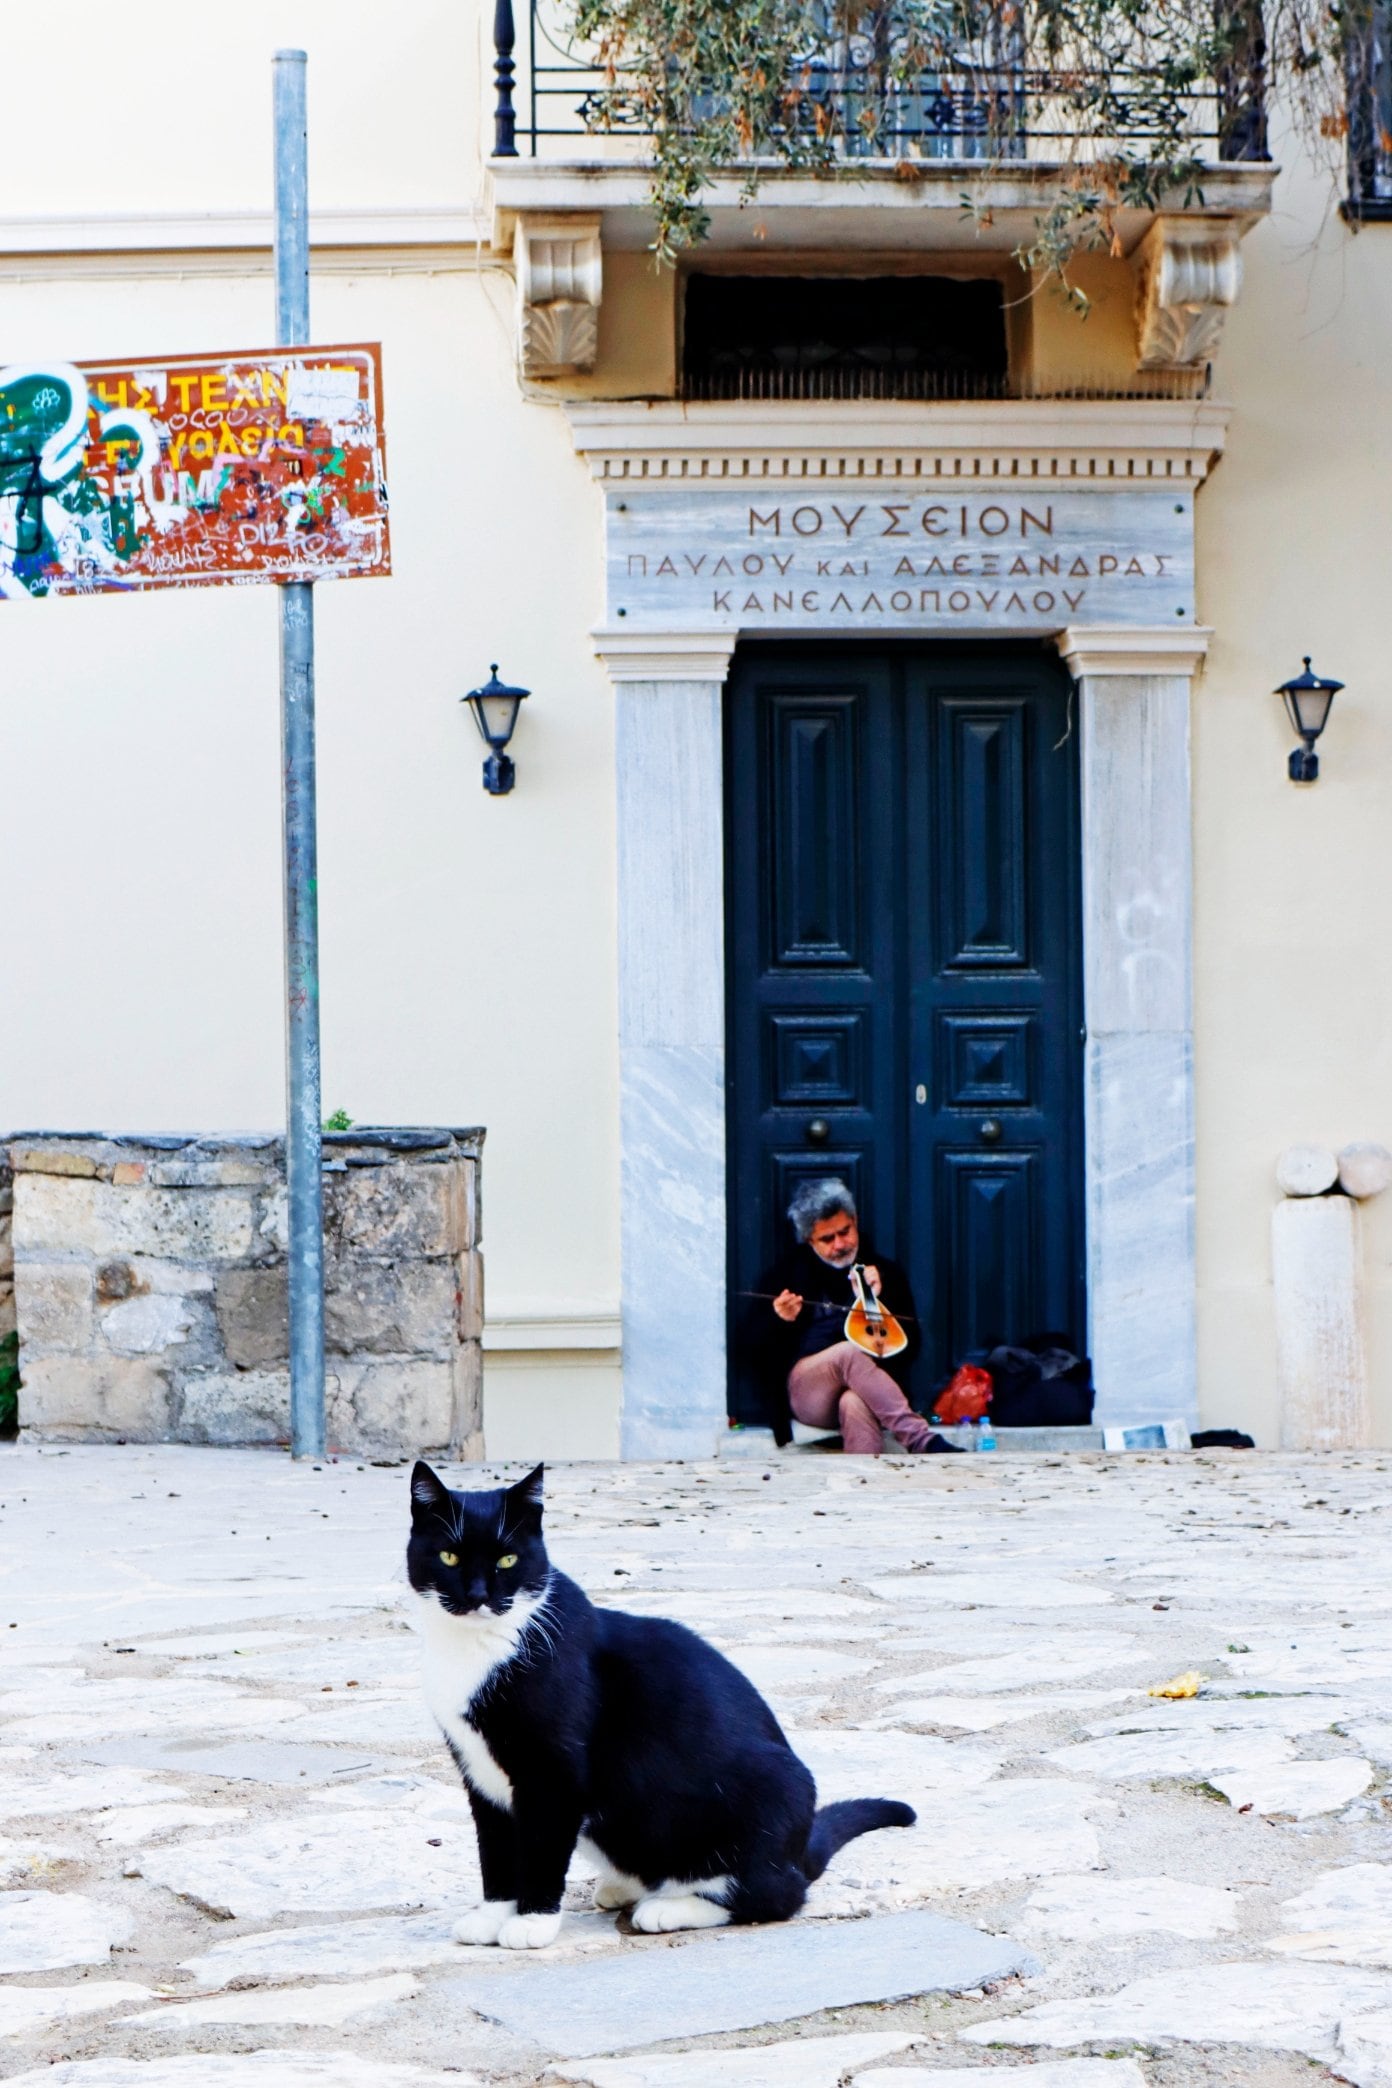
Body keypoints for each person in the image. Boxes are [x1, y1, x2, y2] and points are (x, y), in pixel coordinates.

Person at [742, 1179, 954, 1454]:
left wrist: (877, 1301)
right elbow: (750, 1348)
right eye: (827, 1239)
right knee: (846, 1353)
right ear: (809, 1240)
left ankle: (864, 1485)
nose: (840, 1244)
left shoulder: (883, 1272)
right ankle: (922, 1440)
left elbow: (908, 1347)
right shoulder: (786, 1275)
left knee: (853, 1401)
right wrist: (778, 1319)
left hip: (867, 1389)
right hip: (808, 1393)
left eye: (845, 1231)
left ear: (855, 1220)